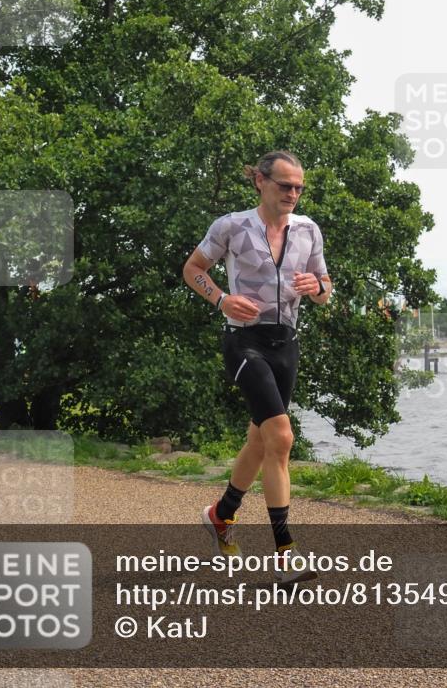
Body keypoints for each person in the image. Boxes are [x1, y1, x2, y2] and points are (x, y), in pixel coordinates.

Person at [183, 150, 331, 583]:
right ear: (260, 183)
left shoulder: (308, 231)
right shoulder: (232, 226)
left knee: (261, 441)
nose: (293, 193)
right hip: (244, 342)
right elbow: (192, 269)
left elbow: (326, 289)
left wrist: (317, 286)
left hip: (287, 346)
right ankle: (286, 553)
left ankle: (220, 514)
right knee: (281, 437)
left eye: (299, 187)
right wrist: (221, 299)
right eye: (285, 185)